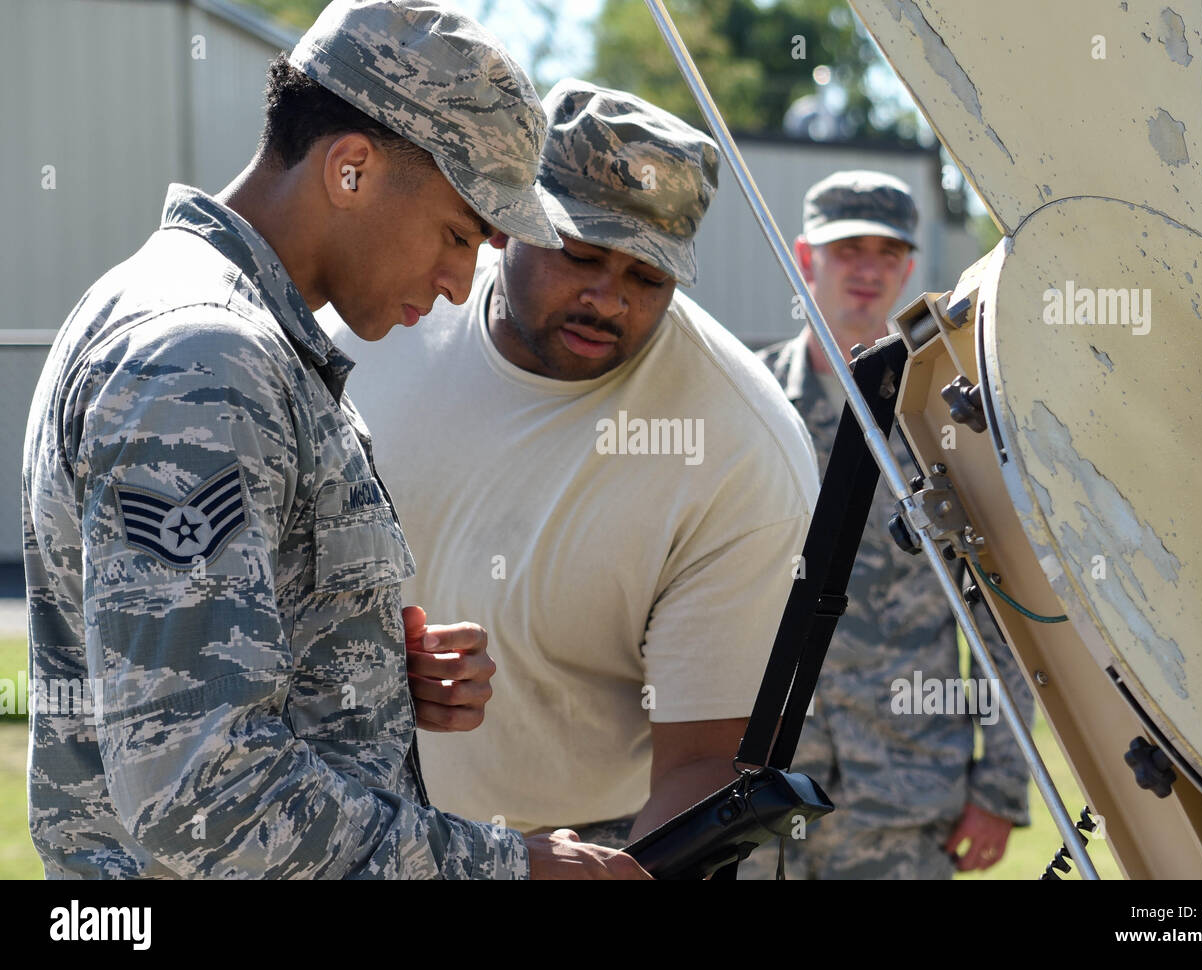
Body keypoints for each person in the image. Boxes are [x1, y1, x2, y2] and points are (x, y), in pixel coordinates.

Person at [22, 0, 646, 880]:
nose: (462, 284)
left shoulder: (219, 331)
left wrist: (364, 671)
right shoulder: (206, 357)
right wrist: (512, 870)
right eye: (458, 233)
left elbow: (186, 667)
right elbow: (204, 795)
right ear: (350, 168)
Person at [325, 79, 819, 848]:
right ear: (509, 222)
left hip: (581, 842)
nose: (608, 298)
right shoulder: (375, 319)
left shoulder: (742, 450)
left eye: (647, 277)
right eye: (580, 255)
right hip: (339, 815)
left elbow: (707, 763)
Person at [745, 171, 1034, 879]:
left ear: (910, 267)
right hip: (758, 788)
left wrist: (998, 784)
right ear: (806, 258)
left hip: (903, 799)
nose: (868, 270)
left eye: (887, 252)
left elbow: (1001, 613)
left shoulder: (950, 424)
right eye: (848, 250)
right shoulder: (747, 410)